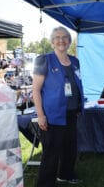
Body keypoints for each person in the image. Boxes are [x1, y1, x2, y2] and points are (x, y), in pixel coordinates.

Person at [33, 26, 84, 187]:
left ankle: (66, 174)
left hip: (71, 113)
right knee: (51, 153)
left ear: (69, 41)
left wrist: (78, 107)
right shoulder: (44, 60)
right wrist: (40, 115)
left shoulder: (75, 61)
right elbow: (36, 89)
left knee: (70, 148)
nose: (61, 40)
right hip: (52, 115)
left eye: (64, 37)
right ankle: (45, 184)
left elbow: (76, 85)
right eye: (57, 37)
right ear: (52, 42)